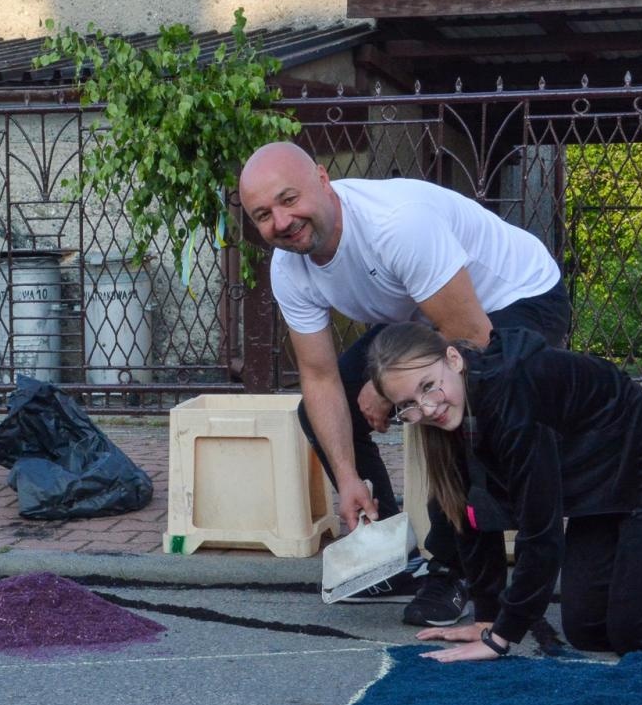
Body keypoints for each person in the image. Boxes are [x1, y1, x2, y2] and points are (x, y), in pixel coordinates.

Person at [237, 142, 570, 626]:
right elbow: (319, 375)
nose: (281, 222)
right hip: (424, 314)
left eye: (289, 200)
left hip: (519, 299)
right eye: (263, 214)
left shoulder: (396, 225)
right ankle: (392, 556)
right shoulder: (289, 267)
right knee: (318, 411)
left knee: (448, 403)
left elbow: (471, 338)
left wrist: (389, 381)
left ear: (324, 180)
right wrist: (348, 478)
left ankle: (453, 568)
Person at [366, 322, 642, 662]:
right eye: (409, 405)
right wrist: (488, 615)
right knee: (588, 628)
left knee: (639, 631)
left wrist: (501, 638)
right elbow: (474, 515)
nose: (427, 407)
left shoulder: (513, 394)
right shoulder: (454, 417)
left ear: (454, 359)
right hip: (600, 487)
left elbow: (541, 532)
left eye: (428, 385)